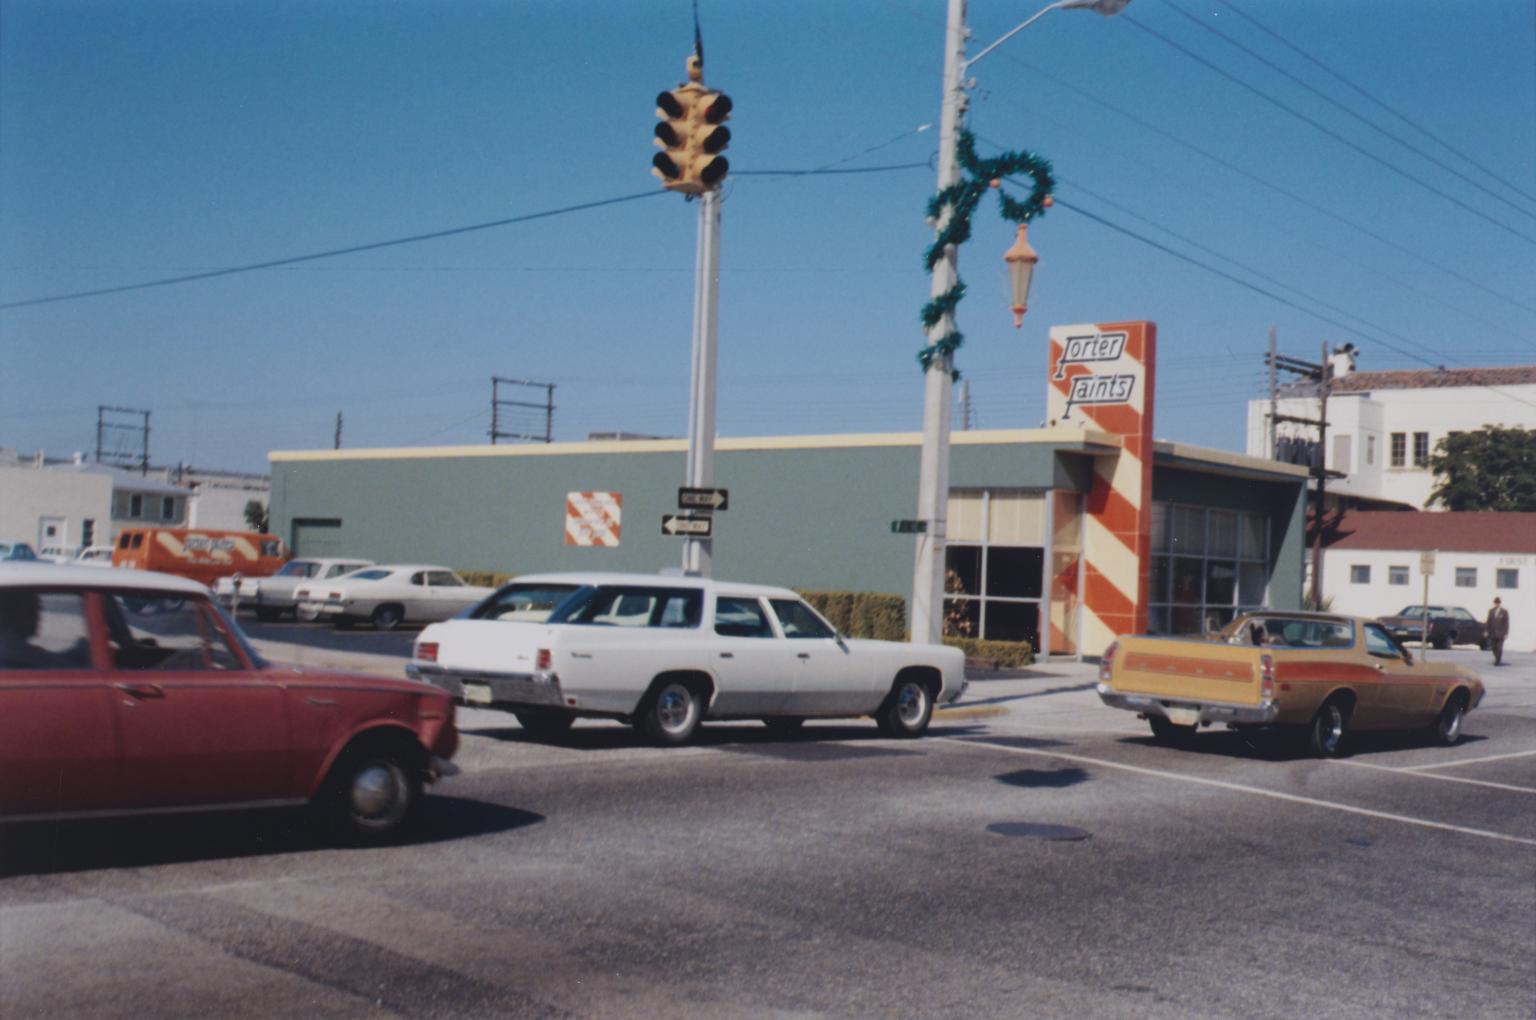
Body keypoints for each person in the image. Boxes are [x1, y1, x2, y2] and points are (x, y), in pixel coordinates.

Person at [1485, 596, 1510, 666]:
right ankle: (1497, 658)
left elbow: (1506, 623)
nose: (1496, 604)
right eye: (1495, 603)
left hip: (1501, 633)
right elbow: (1488, 621)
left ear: (1499, 604)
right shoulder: (1491, 611)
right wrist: (1486, 631)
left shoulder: (1504, 612)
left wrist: (1506, 633)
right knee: (1493, 647)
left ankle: (1497, 661)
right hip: (1492, 633)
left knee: (1499, 648)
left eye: (1497, 603)